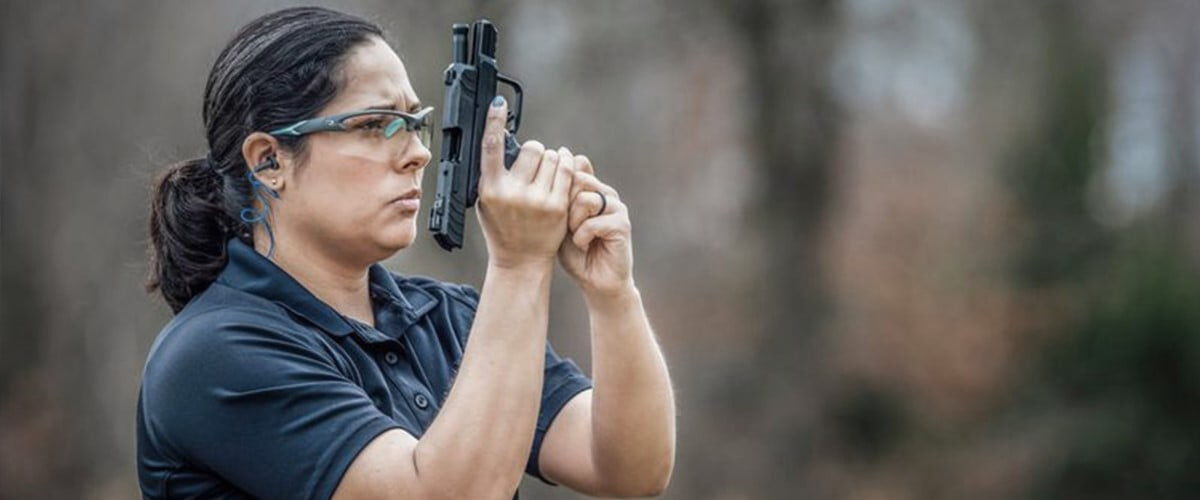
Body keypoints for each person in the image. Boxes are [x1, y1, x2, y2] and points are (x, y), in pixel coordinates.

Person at [137, 6, 674, 499]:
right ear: (269, 161)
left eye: (416, 123)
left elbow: (628, 468)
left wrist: (612, 293)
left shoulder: (446, 319)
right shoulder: (214, 353)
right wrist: (518, 264)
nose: (418, 153)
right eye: (376, 125)